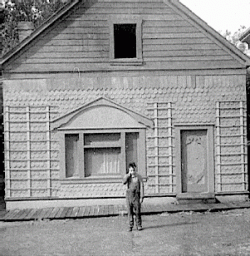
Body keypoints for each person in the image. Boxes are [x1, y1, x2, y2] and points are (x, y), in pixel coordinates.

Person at [123, 162, 144, 232]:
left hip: (136, 196)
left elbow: (142, 187)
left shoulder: (139, 177)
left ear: (136, 170)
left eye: (134, 170)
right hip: (129, 196)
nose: (133, 172)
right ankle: (130, 225)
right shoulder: (128, 177)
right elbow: (124, 182)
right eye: (131, 170)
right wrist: (128, 175)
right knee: (130, 212)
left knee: (137, 211)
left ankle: (139, 225)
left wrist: (142, 197)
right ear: (129, 170)